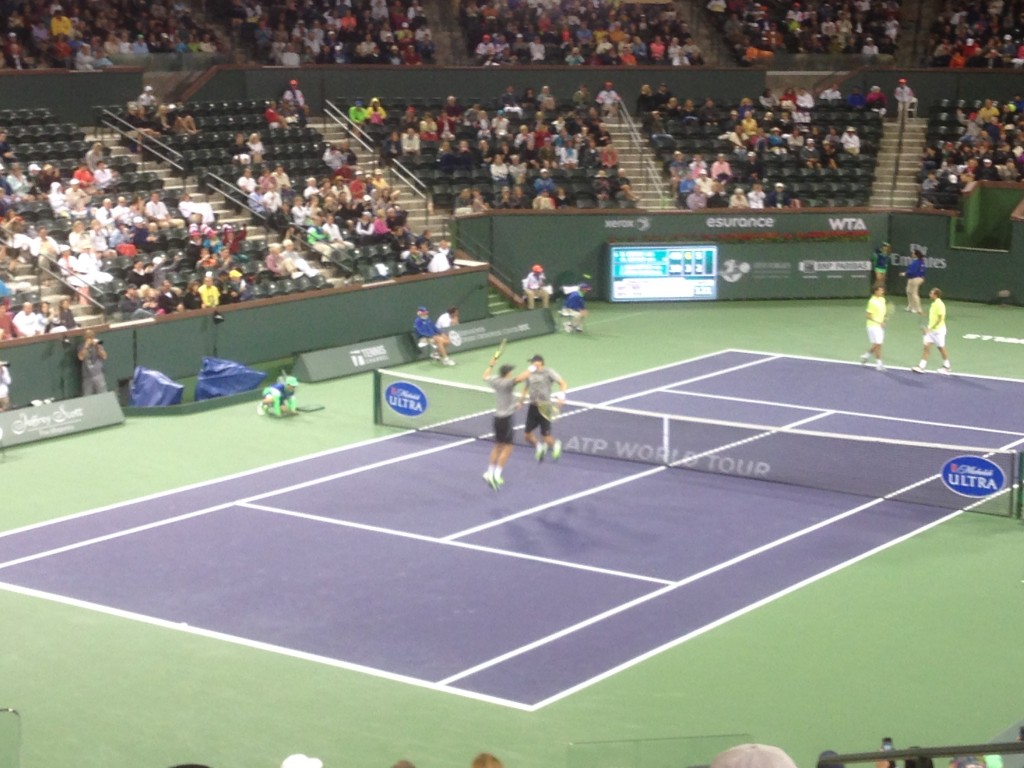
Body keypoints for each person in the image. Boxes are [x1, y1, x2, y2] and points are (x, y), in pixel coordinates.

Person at [482, 354, 529, 490]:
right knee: (508, 447)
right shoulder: (507, 383)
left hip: (497, 418)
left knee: (498, 446)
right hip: (506, 420)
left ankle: (489, 473)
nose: (512, 373)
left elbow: (485, 376)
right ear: (507, 374)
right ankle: (496, 475)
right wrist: (533, 367)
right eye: (511, 371)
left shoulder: (495, 380)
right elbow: (521, 378)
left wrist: (491, 364)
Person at [520, 354, 567, 462]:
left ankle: (555, 445)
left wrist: (561, 396)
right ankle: (539, 447)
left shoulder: (548, 372)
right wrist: (521, 400)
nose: (531, 364)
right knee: (527, 436)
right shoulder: (529, 374)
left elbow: (562, 383)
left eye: (533, 362)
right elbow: (525, 388)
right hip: (533, 407)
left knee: (546, 437)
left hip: (545, 407)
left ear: (539, 362)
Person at [912, 288, 951, 374]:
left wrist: (929, 329)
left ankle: (947, 366)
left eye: (931, 293)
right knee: (926, 347)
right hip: (931, 330)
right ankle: (921, 366)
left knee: (941, 348)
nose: (929, 294)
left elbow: (940, 319)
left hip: (938, 331)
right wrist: (922, 314)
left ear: (936, 295)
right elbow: (933, 316)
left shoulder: (940, 304)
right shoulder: (934, 304)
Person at [860, 285, 888, 371]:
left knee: (876, 344)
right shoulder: (871, 302)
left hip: (879, 325)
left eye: (882, 290)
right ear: (875, 291)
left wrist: (883, 320)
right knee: (878, 344)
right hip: (873, 326)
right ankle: (879, 364)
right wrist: (879, 322)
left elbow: (882, 313)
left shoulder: (883, 300)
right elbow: (868, 316)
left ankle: (866, 356)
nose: (882, 292)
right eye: (880, 290)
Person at [77, 329, 108, 395]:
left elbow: (104, 356)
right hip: (87, 376)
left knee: (103, 394)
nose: (90, 338)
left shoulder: (98, 345)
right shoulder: (81, 346)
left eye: (91, 336)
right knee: (88, 396)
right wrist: (86, 346)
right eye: (88, 336)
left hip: (98, 374)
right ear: (85, 337)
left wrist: (97, 347)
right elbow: (81, 357)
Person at [901, 247, 926, 315]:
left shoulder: (917, 262)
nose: (912, 254)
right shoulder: (919, 261)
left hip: (916, 278)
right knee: (908, 291)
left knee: (914, 293)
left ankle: (917, 309)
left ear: (916, 254)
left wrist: (904, 273)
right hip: (913, 278)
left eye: (913, 253)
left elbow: (912, 271)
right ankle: (910, 306)